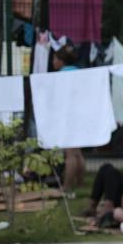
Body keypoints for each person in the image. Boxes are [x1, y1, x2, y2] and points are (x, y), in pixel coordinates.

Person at [52, 44, 86, 190]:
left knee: (70, 154)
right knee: (77, 152)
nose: (53, 62)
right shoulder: (80, 73)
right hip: (79, 114)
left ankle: (67, 186)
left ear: (61, 61)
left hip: (67, 117)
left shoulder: (59, 76)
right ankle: (80, 183)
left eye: (54, 59)